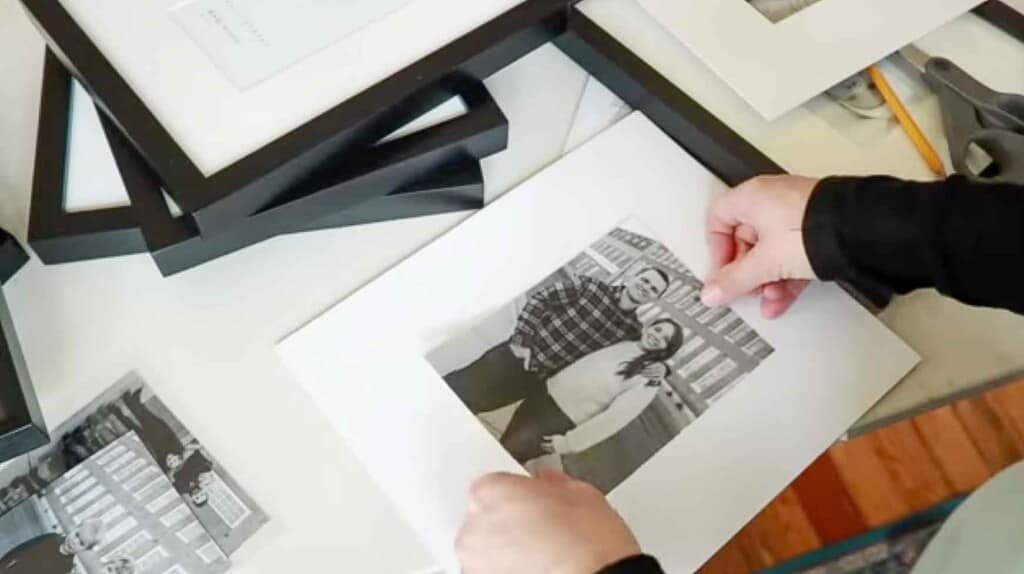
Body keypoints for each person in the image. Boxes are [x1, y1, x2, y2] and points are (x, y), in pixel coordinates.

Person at [456, 174, 1024, 573]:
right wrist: (845, 225)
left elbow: (617, 411)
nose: (650, 324)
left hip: (563, 409)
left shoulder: (645, 368)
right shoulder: (603, 302)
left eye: (657, 320)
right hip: (529, 370)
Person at [444, 267, 672, 415]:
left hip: (535, 381)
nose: (646, 288)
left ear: (655, 298)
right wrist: (522, 341)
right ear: (633, 277)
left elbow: (647, 354)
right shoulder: (589, 287)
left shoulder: (632, 331)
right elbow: (540, 300)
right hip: (512, 357)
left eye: (653, 289)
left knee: (476, 408)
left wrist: (664, 368)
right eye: (645, 280)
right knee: (455, 390)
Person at [499, 319, 685, 465]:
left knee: (506, 456)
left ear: (666, 350)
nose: (657, 336)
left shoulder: (648, 377)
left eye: (665, 339)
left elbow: (615, 419)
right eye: (658, 330)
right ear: (649, 327)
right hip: (543, 396)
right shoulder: (625, 341)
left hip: (558, 420)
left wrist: (569, 443)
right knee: (502, 449)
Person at [1, 519, 104, 574]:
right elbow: (21, 549)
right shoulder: (51, 538)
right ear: (74, 528)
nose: (74, 542)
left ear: (85, 550)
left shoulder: (65, 566)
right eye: (77, 535)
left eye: (81, 543)